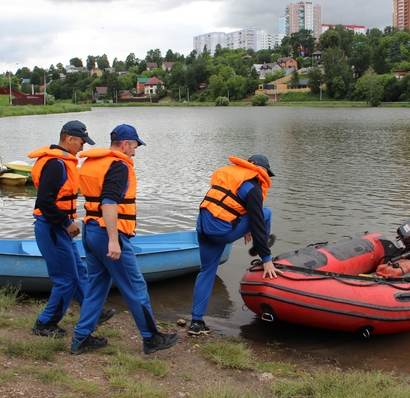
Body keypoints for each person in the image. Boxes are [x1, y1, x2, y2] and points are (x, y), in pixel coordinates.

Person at [71, 124, 181, 355]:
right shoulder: (118, 165)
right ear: (124, 144)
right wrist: (113, 240)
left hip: (90, 229)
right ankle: (151, 338)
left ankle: (81, 338)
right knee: (135, 286)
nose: (134, 152)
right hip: (108, 233)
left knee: (96, 287)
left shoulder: (92, 162)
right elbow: (109, 202)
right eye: (134, 146)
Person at [30, 120, 115, 338]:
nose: (82, 147)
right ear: (69, 139)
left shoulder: (63, 162)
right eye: (81, 142)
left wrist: (65, 223)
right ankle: (45, 323)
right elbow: (44, 202)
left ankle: (92, 312)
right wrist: (66, 222)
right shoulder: (55, 164)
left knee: (78, 272)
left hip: (58, 228)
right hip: (51, 228)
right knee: (66, 279)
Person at [188, 154, 281, 335]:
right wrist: (266, 259)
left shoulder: (230, 177)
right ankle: (261, 247)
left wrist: (245, 228)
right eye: (266, 172)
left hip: (203, 229)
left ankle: (196, 322)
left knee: (206, 272)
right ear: (259, 169)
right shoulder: (253, 187)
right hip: (222, 232)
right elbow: (258, 220)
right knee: (266, 213)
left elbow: (229, 206)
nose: (265, 176)